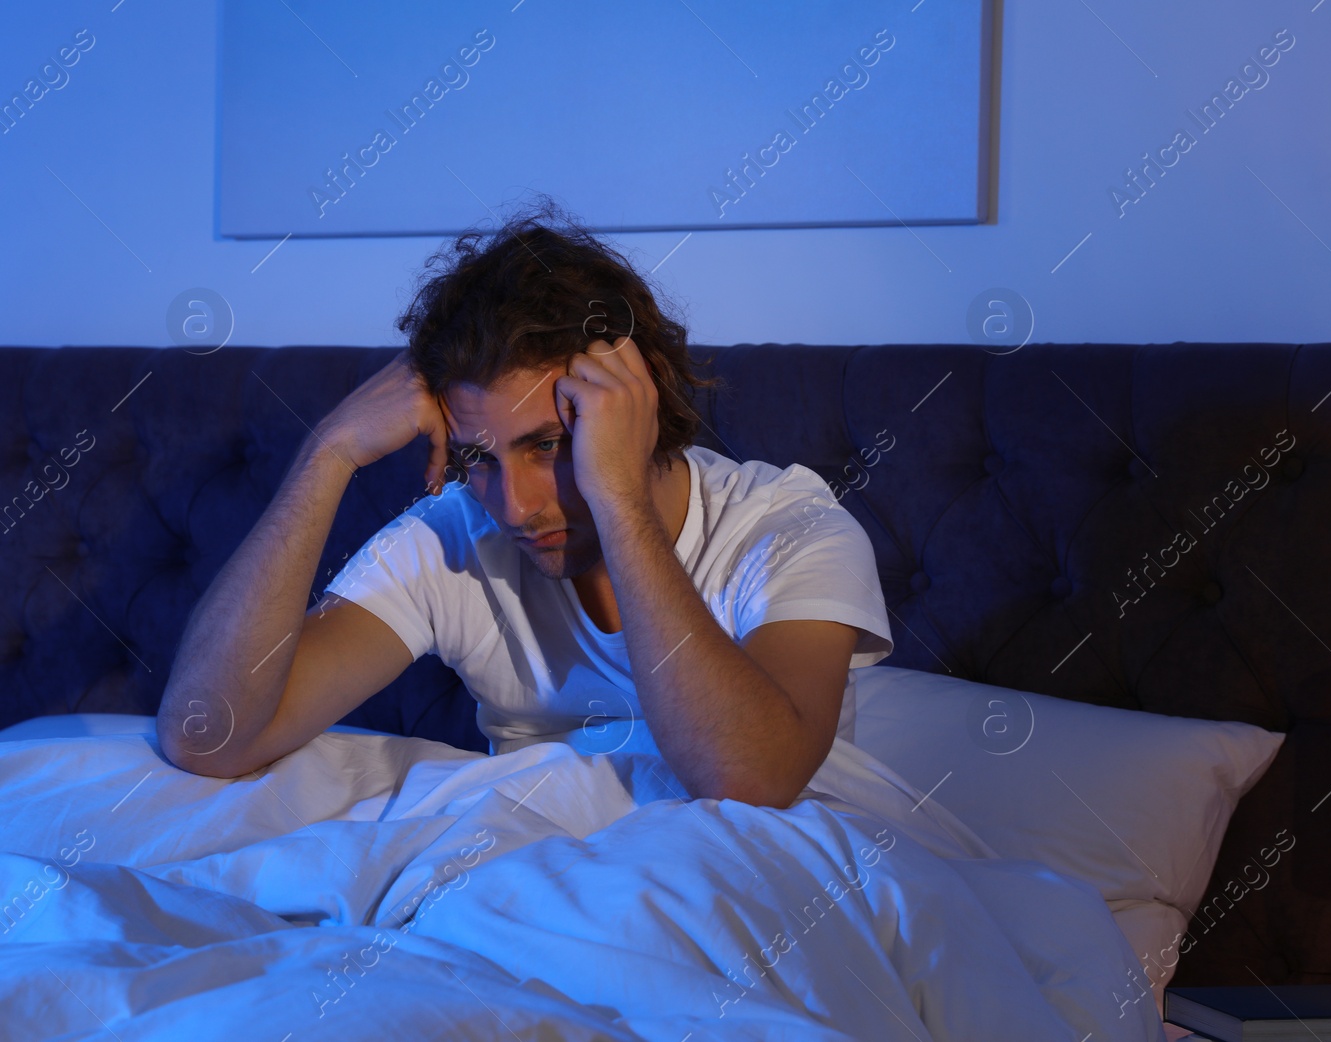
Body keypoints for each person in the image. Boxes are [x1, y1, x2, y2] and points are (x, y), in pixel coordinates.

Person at [155, 200, 893, 808]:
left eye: (550, 445)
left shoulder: (790, 530)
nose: (514, 505)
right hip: (544, 883)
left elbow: (748, 780)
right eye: (476, 458)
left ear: (640, 401)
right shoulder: (456, 537)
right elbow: (206, 737)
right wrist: (328, 454)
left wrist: (616, 497)